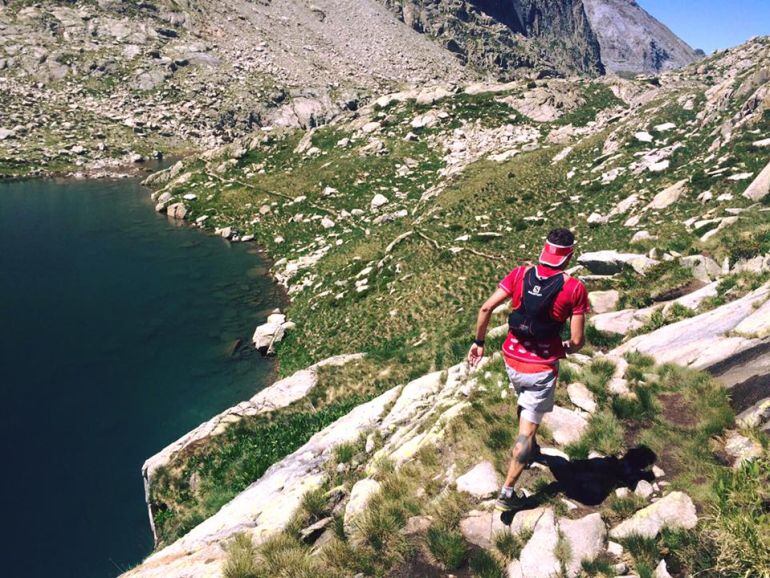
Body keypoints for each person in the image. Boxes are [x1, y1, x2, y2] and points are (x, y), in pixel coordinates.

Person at [467, 228, 590, 511]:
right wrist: (564, 349)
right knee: (525, 432)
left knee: (524, 404)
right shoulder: (574, 288)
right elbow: (577, 340)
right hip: (540, 369)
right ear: (568, 256)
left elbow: (486, 309)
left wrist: (479, 342)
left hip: (511, 359)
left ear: (544, 250)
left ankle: (531, 450)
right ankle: (507, 493)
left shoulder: (521, 274)